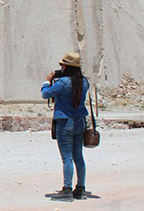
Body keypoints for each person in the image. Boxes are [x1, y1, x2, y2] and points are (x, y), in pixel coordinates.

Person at [41, 52, 91, 202]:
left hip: (65, 121)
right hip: (80, 122)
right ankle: (80, 188)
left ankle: (67, 189)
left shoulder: (62, 83)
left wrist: (47, 81)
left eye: (62, 65)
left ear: (66, 67)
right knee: (78, 157)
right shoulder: (84, 82)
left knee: (67, 158)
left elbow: (45, 94)